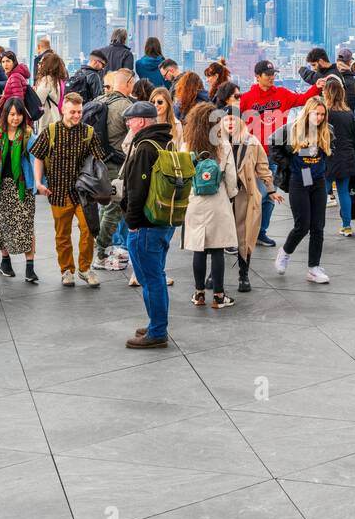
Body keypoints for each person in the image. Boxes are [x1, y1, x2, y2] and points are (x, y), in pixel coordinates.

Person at [241, 59, 321, 247]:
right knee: (254, 195)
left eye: (273, 74)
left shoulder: (282, 94)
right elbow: (232, 120)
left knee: (270, 195)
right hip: (252, 154)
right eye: (267, 75)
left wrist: (317, 87)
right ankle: (245, 232)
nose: (271, 77)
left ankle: (261, 232)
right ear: (257, 77)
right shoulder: (246, 98)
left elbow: (302, 100)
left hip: (274, 154)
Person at [31, 91, 107, 288]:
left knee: (88, 230)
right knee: (62, 234)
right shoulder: (50, 131)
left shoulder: (88, 132)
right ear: (63, 109)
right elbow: (38, 156)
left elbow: (99, 162)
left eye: (79, 112)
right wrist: (38, 182)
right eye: (72, 111)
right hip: (58, 191)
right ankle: (66, 270)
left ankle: (84, 268)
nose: (76, 115)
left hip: (84, 193)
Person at [214, 82, 281, 293]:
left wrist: (270, 189)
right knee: (218, 235)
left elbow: (263, 167)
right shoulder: (215, 143)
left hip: (244, 194)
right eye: (227, 120)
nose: (231, 123)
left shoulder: (251, 142)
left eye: (234, 119)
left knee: (245, 236)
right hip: (221, 195)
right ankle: (212, 274)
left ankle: (243, 273)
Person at [120, 100, 177, 348]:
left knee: (151, 278)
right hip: (164, 219)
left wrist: (132, 221)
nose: (128, 124)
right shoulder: (166, 141)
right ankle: (156, 323)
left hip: (146, 223)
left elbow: (136, 189)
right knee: (157, 274)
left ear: (141, 121)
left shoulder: (144, 147)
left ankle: (157, 331)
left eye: (130, 120)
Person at [181, 101, 240, 309]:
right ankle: (218, 296)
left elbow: (182, 175)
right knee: (217, 250)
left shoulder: (186, 146)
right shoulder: (223, 146)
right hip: (218, 200)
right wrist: (232, 194)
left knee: (199, 249)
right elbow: (231, 177)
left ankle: (198, 294)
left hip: (195, 200)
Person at [272, 97, 332, 284]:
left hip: (318, 179)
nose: (320, 117)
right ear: (308, 112)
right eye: (316, 113)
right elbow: (273, 145)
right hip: (300, 177)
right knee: (302, 225)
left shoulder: (327, 131)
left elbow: (330, 152)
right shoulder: (291, 129)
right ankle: (285, 252)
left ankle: (314, 268)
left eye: (322, 114)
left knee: (318, 226)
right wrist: (288, 164)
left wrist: (324, 168)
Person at [0, 96, 39, 283]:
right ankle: (5, 262)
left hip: (22, 187)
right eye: (12, 114)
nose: (16, 118)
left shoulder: (28, 135)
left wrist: (39, 184)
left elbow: (35, 160)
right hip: (2, 187)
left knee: (25, 226)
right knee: (3, 226)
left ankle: (29, 267)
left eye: (19, 114)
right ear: (5, 114)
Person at [94, 69, 137, 266]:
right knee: (114, 209)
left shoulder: (101, 100)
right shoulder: (126, 106)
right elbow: (134, 137)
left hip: (97, 163)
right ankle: (101, 251)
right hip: (117, 166)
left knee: (104, 206)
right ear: (129, 83)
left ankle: (103, 247)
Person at [320, 78, 355, 237]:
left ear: (327, 93)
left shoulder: (325, 113)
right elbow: (354, 137)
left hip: (329, 157)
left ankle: (316, 224)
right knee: (343, 192)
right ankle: (347, 226)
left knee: (321, 192)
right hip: (347, 156)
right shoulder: (348, 113)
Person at [34, 50, 69, 130]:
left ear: (47, 65)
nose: (38, 65)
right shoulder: (57, 80)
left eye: (40, 63)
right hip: (55, 115)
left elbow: (38, 100)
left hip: (47, 117)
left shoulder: (46, 80)